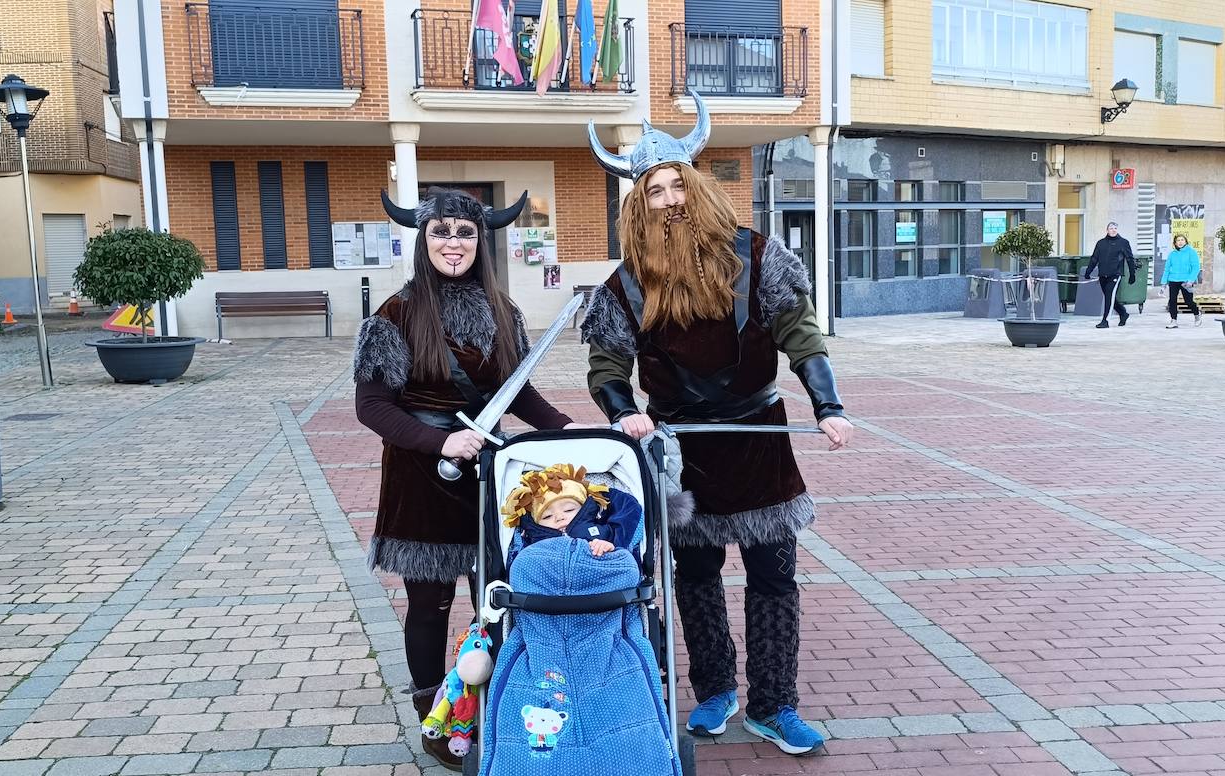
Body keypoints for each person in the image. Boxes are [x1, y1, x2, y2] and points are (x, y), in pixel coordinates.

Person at [580, 91, 854, 756]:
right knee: (695, 578)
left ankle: (774, 704)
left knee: (773, 577)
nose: (670, 201)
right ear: (639, 205)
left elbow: (802, 337)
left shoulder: (757, 256)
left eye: (678, 186)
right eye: (655, 192)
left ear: (696, 188)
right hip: (679, 451)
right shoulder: (625, 285)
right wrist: (624, 414)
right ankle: (714, 692)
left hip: (759, 441)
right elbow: (607, 367)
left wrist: (828, 405)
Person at [352, 187, 579, 770]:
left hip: (489, 471)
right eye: (440, 232)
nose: (453, 244)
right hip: (419, 475)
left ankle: (492, 707)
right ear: (423, 240)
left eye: (466, 233)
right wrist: (439, 439)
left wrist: (568, 429)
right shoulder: (395, 314)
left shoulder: (504, 311)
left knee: (495, 601)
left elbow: (516, 392)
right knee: (428, 603)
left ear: (482, 242)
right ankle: (434, 717)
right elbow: (372, 407)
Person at [501, 463, 643, 557]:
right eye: (547, 516)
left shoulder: (599, 528)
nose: (559, 517)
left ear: (584, 509)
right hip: (548, 593)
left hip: (600, 583)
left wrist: (612, 546)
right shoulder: (532, 539)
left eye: (568, 510)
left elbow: (628, 509)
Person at [1083, 222, 1139, 328]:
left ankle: (1105, 320)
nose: (1113, 230)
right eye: (1111, 228)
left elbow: (1129, 258)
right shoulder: (1101, 243)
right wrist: (1088, 271)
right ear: (1107, 230)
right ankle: (1123, 313)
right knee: (1110, 297)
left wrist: (1132, 274)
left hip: (1115, 274)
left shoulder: (1123, 242)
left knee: (1109, 296)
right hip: (1103, 274)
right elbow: (1094, 258)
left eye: (1115, 228)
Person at [1161, 234, 1203, 328]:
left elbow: (1196, 267)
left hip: (1186, 281)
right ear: (1175, 243)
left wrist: (1191, 280)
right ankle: (1173, 320)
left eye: (1182, 240)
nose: (1180, 242)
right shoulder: (1172, 254)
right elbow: (1167, 269)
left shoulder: (1191, 252)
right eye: (1178, 240)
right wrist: (1163, 283)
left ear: (1185, 241)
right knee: (1172, 301)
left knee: (1188, 301)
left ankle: (1197, 314)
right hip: (1173, 280)